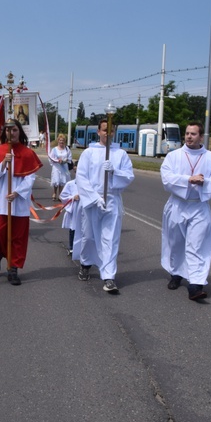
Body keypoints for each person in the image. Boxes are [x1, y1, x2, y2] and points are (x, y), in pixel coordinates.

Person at [160, 122, 211, 301]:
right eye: (187, 133)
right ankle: (176, 274)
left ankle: (196, 285)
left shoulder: (210, 158)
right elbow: (166, 178)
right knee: (176, 243)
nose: (189, 137)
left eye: (193, 134)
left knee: (196, 246)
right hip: (177, 205)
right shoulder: (174, 156)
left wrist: (204, 182)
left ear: (201, 137)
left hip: (198, 206)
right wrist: (188, 179)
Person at [74, 118, 135, 294]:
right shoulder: (88, 153)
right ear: (98, 132)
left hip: (112, 200)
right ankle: (85, 264)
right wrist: (94, 197)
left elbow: (129, 176)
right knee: (89, 236)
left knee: (110, 238)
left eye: (111, 131)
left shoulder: (120, 154)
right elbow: (81, 177)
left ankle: (108, 276)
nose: (107, 134)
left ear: (114, 132)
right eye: (104, 130)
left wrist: (115, 172)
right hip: (93, 201)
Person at [0, 119, 42, 286]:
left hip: (18, 202)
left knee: (17, 237)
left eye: (15, 130)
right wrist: (4, 162)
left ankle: (13, 268)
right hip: (0, 200)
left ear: (20, 132)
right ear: (5, 133)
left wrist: (17, 193)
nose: (12, 133)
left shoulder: (27, 153)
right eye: (9, 130)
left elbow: (30, 178)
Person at [59, 178, 80, 257]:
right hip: (74, 209)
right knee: (73, 228)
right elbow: (63, 196)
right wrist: (73, 197)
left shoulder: (89, 183)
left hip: (84, 210)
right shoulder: (70, 184)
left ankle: (82, 248)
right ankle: (72, 247)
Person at [49, 133, 72, 201]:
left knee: (62, 181)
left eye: (63, 140)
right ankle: (54, 193)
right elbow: (51, 158)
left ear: (64, 141)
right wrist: (56, 161)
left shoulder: (67, 149)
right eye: (60, 140)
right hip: (56, 167)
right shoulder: (54, 149)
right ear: (58, 141)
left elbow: (69, 158)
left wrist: (64, 161)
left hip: (64, 167)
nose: (61, 142)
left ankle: (60, 194)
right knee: (56, 180)